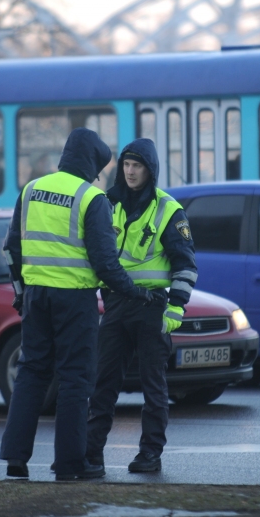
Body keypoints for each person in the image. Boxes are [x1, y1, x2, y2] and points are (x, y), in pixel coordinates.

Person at [0, 128, 162, 482]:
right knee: (76, 379)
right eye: (99, 168)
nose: (99, 175)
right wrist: (136, 291)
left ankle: (15, 459)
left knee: (31, 373)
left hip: (36, 297)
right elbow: (106, 263)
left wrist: (20, 292)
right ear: (90, 162)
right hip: (75, 300)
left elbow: (12, 248)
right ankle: (72, 465)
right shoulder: (91, 198)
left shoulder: (31, 190)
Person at [86, 138, 198, 475]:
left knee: (153, 385)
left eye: (137, 165)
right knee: (103, 383)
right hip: (116, 303)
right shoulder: (107, 203)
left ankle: (150, 454)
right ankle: (92, 453)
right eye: (126, 164)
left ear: (150, 170)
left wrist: (176, 307)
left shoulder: (168, 209)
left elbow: (186, 264)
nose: (131, 171)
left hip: (152, 306)